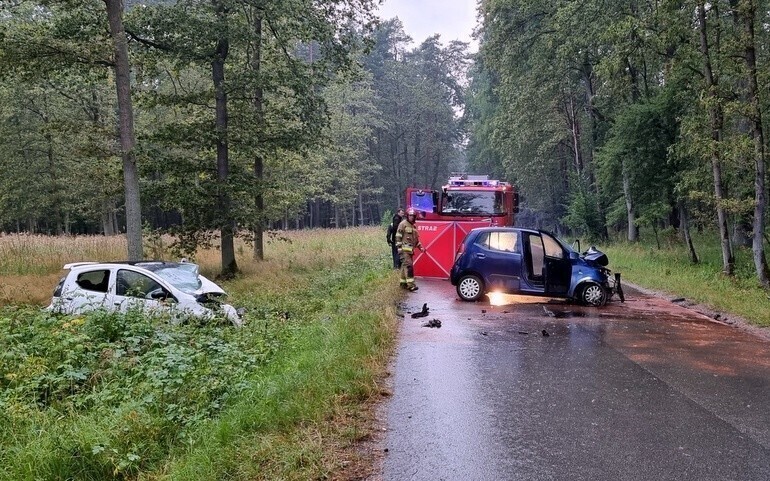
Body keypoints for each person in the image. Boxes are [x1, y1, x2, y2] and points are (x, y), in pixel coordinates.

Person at [395, 207, 423, 291]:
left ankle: (403, 284)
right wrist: (399, 248)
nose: (412, 217)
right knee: (409, 267)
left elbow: (416, 240)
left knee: (405, 266)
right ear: (407, 216)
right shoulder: (403, 224)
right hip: (404, 250)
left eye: (413, 216)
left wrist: (421, 247)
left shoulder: (413, 226)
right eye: (410, 216)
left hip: (410, 251)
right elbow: (398, 236)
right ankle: (411, 285)